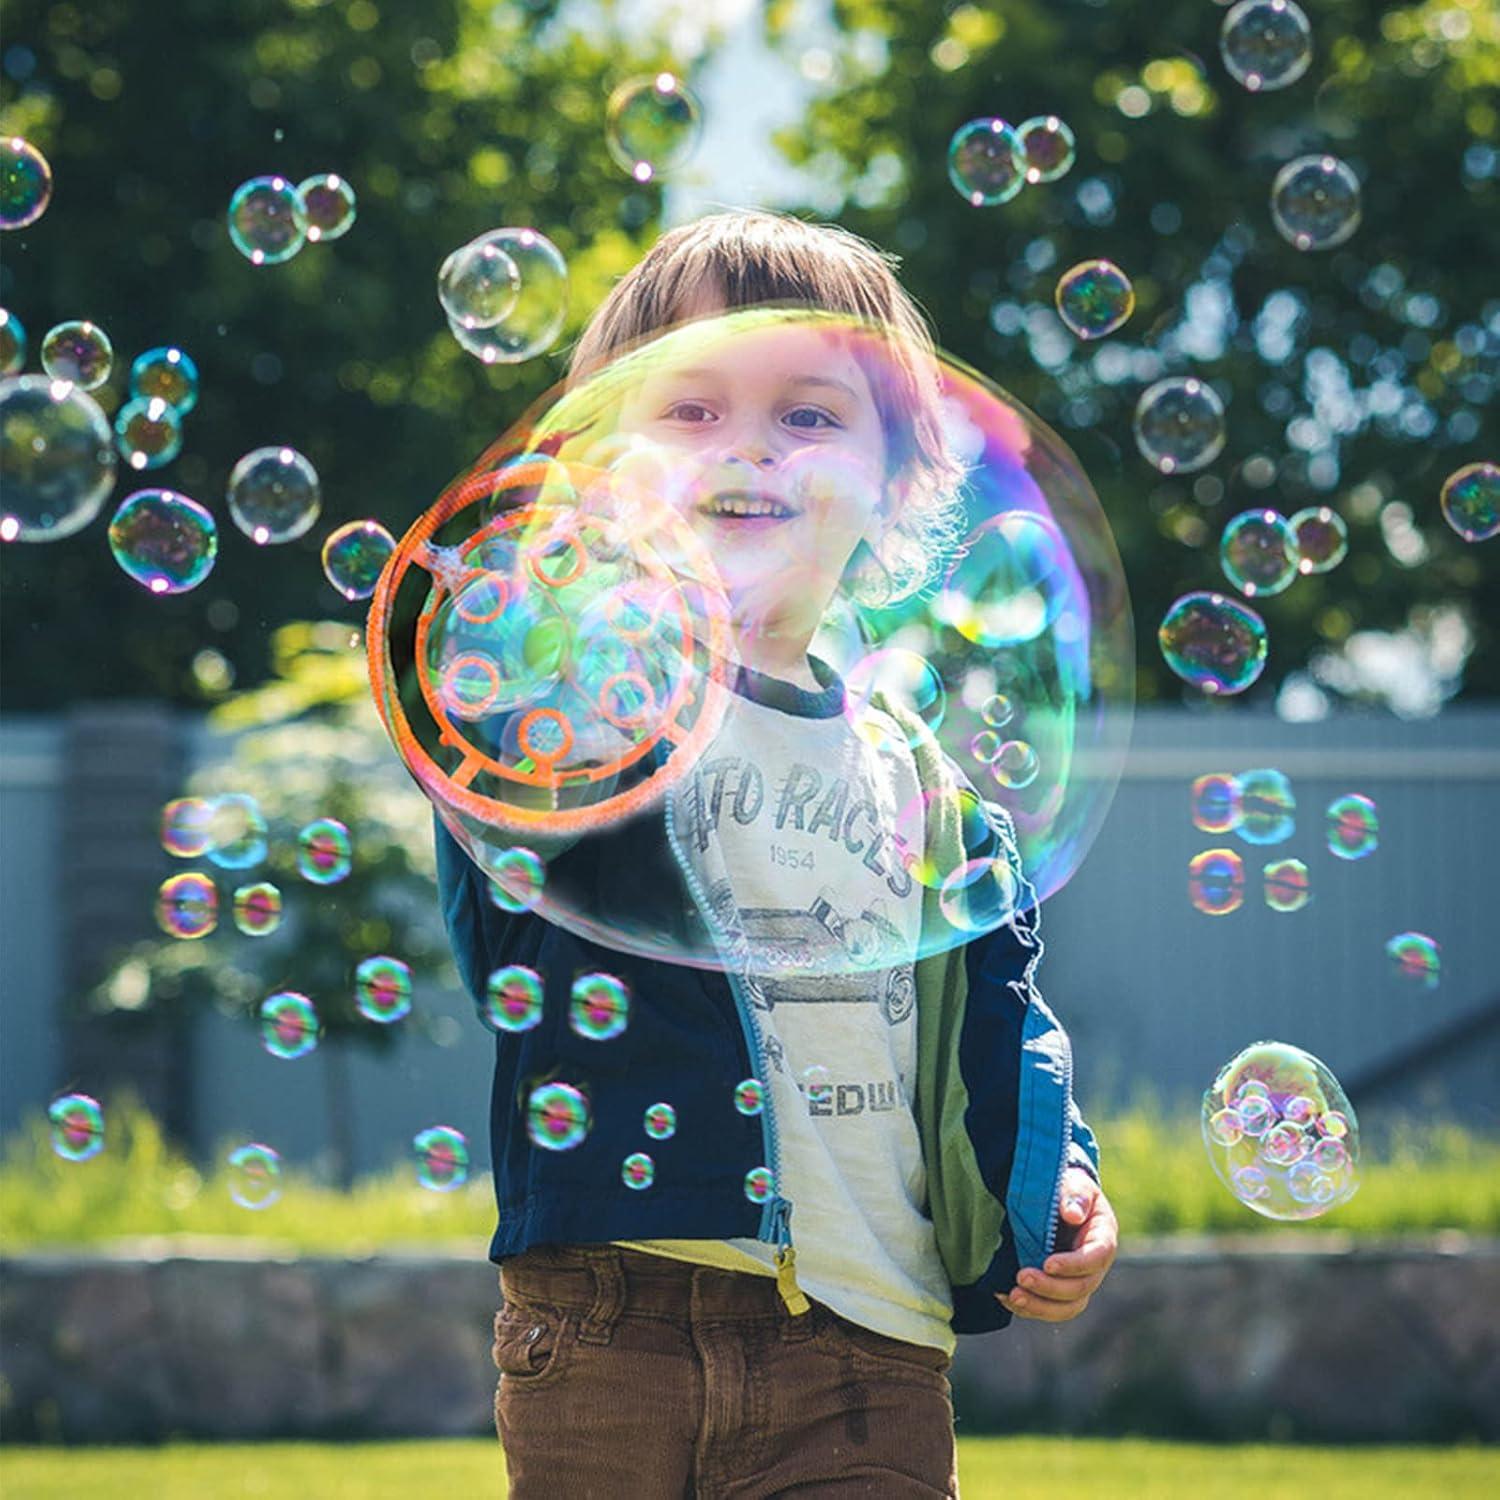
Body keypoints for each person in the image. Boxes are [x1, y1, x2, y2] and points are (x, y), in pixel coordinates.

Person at [433, 208, 1118, 1498]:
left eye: (809, 415)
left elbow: (1000, 1016)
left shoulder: (926, 782)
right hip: (610, 1310)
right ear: (604, 465)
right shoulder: (580, 710)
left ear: (897, 478)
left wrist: (1060, 1179)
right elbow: (494, 826)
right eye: (689, 410)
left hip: (873, 1349)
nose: (749, 443)